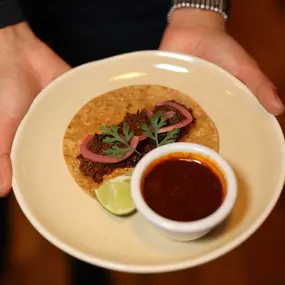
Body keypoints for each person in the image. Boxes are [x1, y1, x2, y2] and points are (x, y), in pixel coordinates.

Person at [0, 0, 284, 283]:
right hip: (30, 22)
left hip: (153, 20)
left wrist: (200, 9)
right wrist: (6, 31)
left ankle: (91, 264)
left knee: (88, 226)